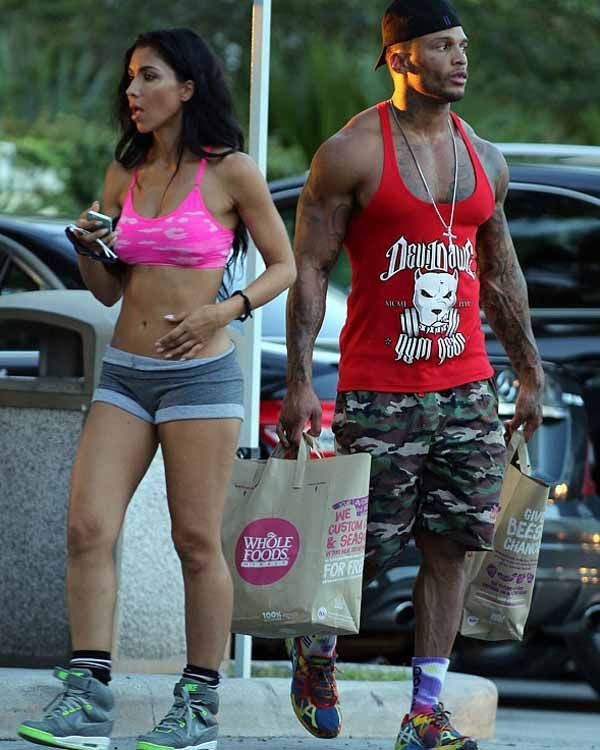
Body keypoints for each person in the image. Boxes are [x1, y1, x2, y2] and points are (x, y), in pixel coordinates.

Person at [17, 27, 295, 750]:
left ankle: (198, 705)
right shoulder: (125, 171)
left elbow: (285, 265)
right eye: (130, 78)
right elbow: (108, 292)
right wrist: (89, 249)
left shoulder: (232, 172)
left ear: (187, 87)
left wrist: (224, 310)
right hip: (125, 373)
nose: (132, 91)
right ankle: (87, 699)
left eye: (148, 77)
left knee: (196, 541)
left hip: (200, 377)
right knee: (87, 529)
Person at [277, 2, 544, 749]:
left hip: (466, 386)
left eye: (464, 45)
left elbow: (501, 273)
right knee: (365, 548)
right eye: (443, 46)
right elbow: (310, 268)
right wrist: (299, 382)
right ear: (400, 59)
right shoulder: (350, 152)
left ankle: (425, 711)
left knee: (453, 545)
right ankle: (316, 646)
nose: (461, 59)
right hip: (379, 387)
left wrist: (528, 371)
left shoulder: (485, 157)